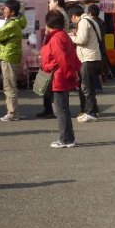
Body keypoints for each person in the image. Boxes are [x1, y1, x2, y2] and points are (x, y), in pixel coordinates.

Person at [40, 10, 81, 148]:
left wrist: (69, 73)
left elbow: (61, 59)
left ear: (48, 23)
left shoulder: (56, 37)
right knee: (63, 109)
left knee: (60, 110)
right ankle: (68, 138)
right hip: (63, 76)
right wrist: (73, 72)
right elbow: (71, 57)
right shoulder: (62, 35)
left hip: (59, 77)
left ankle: (66, 139)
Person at [69, 5, 102, 123]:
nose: (72, 22)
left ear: (74, 16)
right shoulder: (90, 19)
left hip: (89, 57)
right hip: (93, 56)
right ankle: (93, 111)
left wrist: (71, 37)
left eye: (71, 19)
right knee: (89, 86)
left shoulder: (83, 22)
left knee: (86, 86)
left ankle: (90, 112)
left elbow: (81, 40)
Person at [0, 0, 27, 121]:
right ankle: (12, 112)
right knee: (9, 85)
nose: (3, 11)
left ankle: (13, 113)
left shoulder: (12, 24)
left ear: (12, 12)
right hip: (11, 56)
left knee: (9, 86)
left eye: (5, 9)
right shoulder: (16, 22)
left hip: (9, 56)